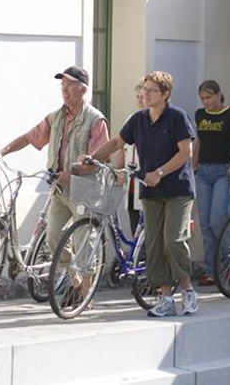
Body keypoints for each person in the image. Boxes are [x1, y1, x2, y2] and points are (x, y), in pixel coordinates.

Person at [0, 66, 110, 303]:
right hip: (60, 189)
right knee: (53, 236)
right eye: (62, 85)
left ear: (82, 89)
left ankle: (86, 297)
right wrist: (1, 152)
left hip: (86, 189)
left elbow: (99, 158)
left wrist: (74, 171)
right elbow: (29, 137)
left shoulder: (95, 119)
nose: (64, 90)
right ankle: (74, 280)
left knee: (84, 241)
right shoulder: (56, 117)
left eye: (69, 85)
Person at [87, 71, 198, 317]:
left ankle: (188, 289)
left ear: (165, 94)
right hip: (150, 190)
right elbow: (117, 142)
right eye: (144, 90)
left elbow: (185, 153)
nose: (145, 94)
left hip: (178, 189)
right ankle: (166, 296)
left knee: (173, 239)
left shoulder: (177, 117)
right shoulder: (138, 120)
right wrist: (92, 158)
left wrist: (159, 172)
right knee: (155, 245)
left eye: (151, 91)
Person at [193, 80, 230, 286]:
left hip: (223, 171)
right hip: (203, 171)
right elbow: (199, 141)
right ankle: (211, 271)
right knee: (205, 224)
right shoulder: (200, 115)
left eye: (209, 97)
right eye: (203, 98)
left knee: (218, 219)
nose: (206, 102)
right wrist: (193, 167)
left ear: (219, 95)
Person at [114, 77, 147, 235]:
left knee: (148, 232)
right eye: (138, 97)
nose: (140, 100)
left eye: (143, 97)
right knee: (135, 229)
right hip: (131, 184)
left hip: (147, 184)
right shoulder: (131, 119)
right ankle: (137, 259)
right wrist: (116, 170)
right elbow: (122, 148)